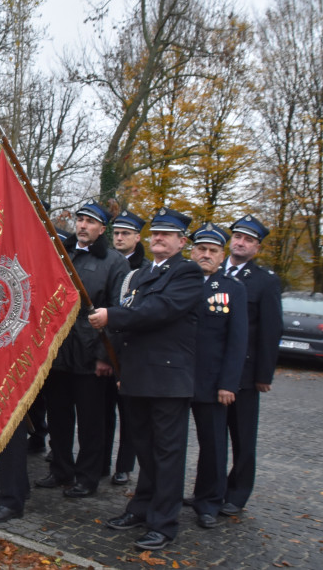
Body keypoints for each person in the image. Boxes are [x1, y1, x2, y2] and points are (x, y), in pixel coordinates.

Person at [89, 207, 202, 551]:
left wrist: (113, 315)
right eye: (156, 233)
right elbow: (128, 329)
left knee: (167, 453)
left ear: (182, 241)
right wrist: (120, 368)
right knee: (144, 450)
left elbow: (159, 311)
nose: (159, 238)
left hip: (168, 378)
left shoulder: (187, 273)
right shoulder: (138, 276)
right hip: (137, 376)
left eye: (167, 234)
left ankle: (164, 524)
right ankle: (140, 508)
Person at [37, 201, 129, 499]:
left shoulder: (115, 262)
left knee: (91, 421)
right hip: (58, 350)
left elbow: (117, 313)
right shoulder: (62, 255)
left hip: (91, 353)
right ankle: (61, 468)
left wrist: (106, 357)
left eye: (90, 222)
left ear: (103, 229)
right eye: (80, 220)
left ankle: (88, 476)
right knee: (59, 416)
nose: (82, 226)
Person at [186, 222, 248, 529]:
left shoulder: (233, 288)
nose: (206, 255)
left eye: (212, 250)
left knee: (212, 444)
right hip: (177, 376)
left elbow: (238, 342)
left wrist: (228, 383)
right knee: (168, 442)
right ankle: (167, 494)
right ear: (192, 251)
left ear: (222, 255)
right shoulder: (180, 280)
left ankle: (209, 500)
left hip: (212, 383)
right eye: (201, 249)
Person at [221, 214, 282, 516]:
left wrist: (263, 374)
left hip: (245, 373)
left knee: (242, 437)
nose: (241, 243)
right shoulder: (212, 271)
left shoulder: (265, 281)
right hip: (212, 371)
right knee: (214, 437)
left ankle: (237, 493)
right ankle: (211, 490)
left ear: (257, 247)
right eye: (237, 237)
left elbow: (271, 331)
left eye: (248, 240)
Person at [104, 209, 148, 485]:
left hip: (132, 348)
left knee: (130, 413)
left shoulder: (145, 269)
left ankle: (124, 465)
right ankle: (100, 459)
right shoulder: (108, 261)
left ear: (137, 237)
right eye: (116, 233)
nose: (119, 238)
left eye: (125, 234)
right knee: (103, 411)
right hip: (107, 345)